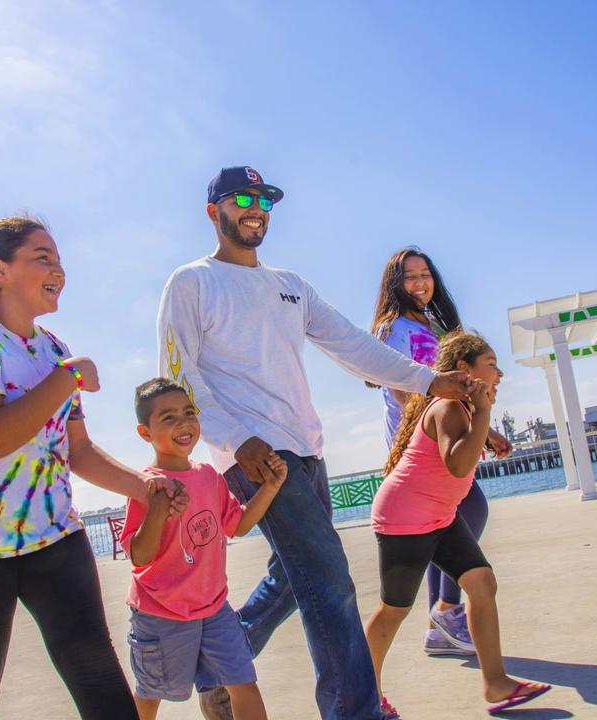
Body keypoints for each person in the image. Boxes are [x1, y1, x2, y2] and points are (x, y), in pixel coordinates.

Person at [156, 166, 482, 720]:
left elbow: (353, 345)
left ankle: (214, 671)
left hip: (306, 449)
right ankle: (355, 711)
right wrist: (238, 441)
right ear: (214, 211)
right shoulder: (192, 282)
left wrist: (429, 380)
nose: (254, 207)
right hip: (257, 455)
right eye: (241, 198)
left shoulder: (290, 285)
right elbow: (179, 374)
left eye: (264, 199)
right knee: (330, 578)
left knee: (292, 577)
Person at [0, 217, 186, 720]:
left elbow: (78, 452)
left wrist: (145, 486)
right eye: (42, 257)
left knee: (97, 672)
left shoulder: (53, 350)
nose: (58, 269)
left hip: (53, 538)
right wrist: (67, 378)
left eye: (58, 259)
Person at [365, 330, 550, 717]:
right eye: (492, 365)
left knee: (481, 582)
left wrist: (488, 429)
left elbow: (463, 451)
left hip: (438, 514)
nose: (499, 373)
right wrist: (484, 414)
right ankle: (364, 697)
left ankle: (496, 684)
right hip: (405, 518)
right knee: (393, 611)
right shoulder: (448, 407)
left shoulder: (462, 408)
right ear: (465, 369)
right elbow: (458, 463)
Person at [369, 247, 511, 658]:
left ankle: (444, 616)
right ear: (395, 284)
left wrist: (485, 431)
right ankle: (446, 613)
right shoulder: (392, 328)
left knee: (447, 521)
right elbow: (398, 385)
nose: (419, 283)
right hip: (421, 440)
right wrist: (422, 428)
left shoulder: (435, 324)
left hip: (449, 429)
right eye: (409, 276)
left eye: (425, 274)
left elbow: (459, 383)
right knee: (468, 510)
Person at [121, 378, 287, 720]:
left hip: (214, 609)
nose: (183, 423)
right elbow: (139, 556)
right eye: (168, 418)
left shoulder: (210, 476)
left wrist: (269, 488)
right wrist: (157, 511)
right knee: (151, 695)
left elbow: (236, 525)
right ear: (145, 432)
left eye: (188, 412)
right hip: (160, 612)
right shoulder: (147, 484)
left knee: (244, 681)